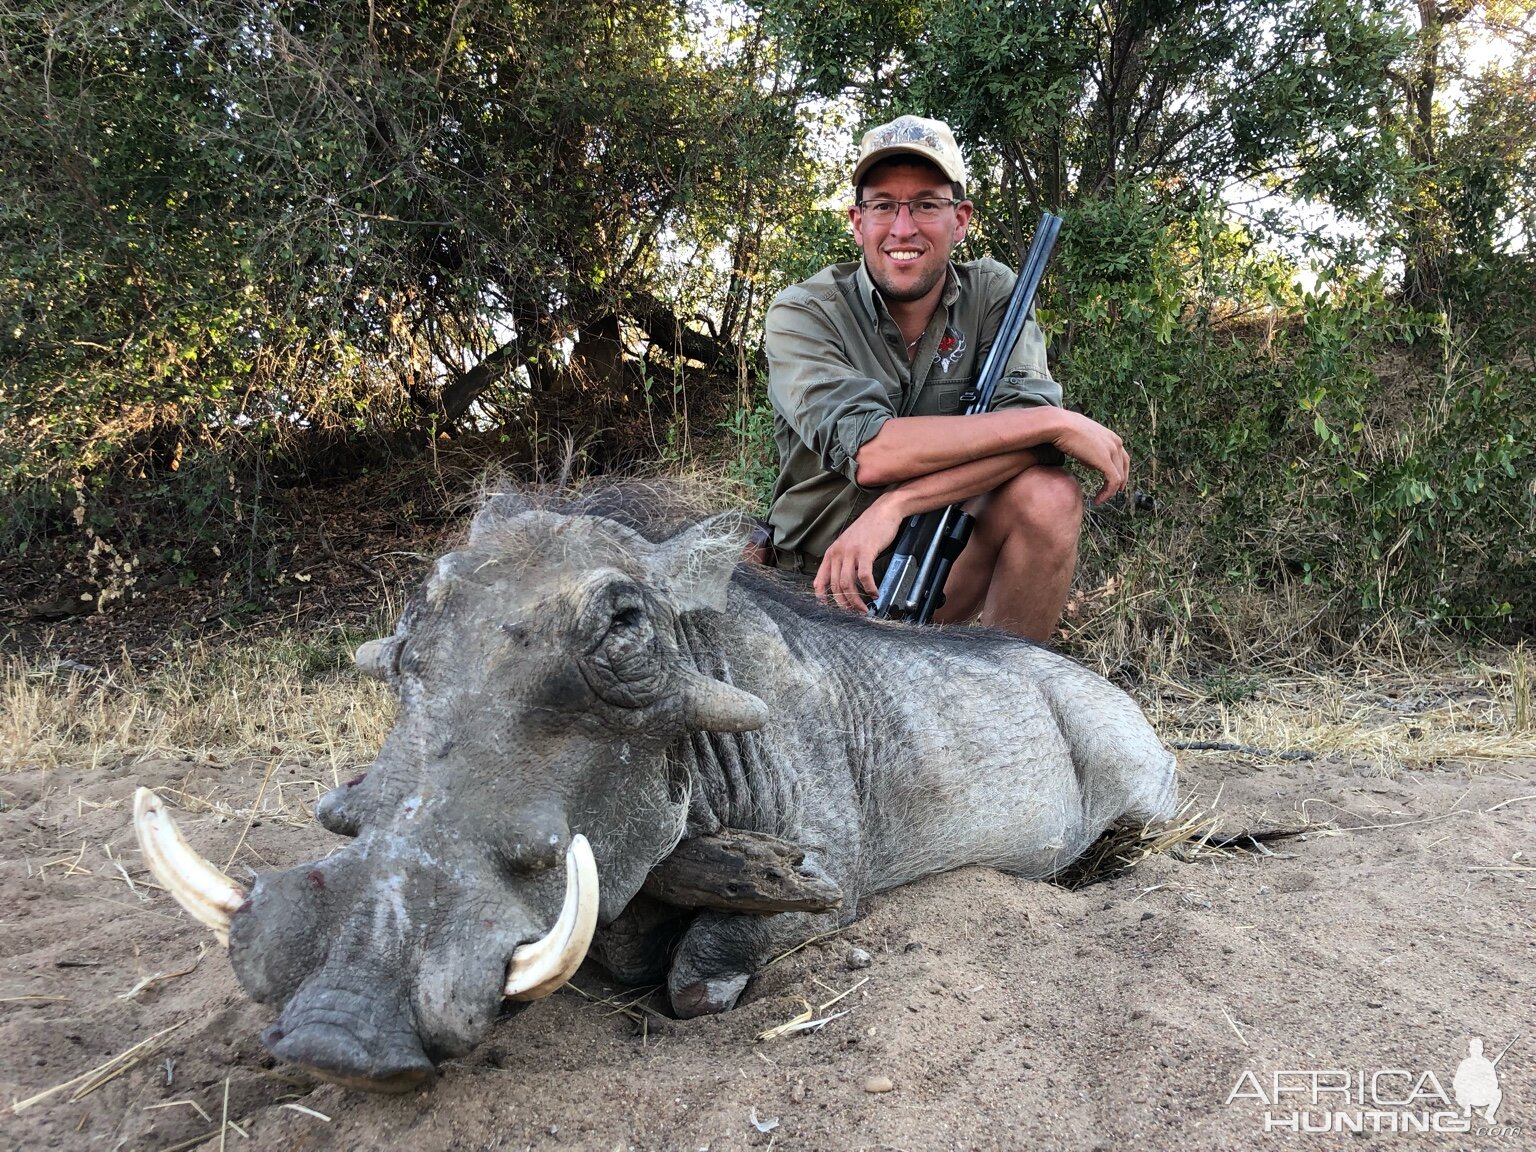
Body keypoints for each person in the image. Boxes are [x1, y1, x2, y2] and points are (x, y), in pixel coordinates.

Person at [761, 115, 1130, 644]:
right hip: (816, 587)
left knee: (1049, 495)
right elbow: (874, 454)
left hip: (939, 561)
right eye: (884, 205)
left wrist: (899, 504)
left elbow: (1035, 444)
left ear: (960, 220)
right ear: (857, 221)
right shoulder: (804, 313)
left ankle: (1008, 696)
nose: (903, 228)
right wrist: (1053, 422)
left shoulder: (995, 292)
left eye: (927, 205)